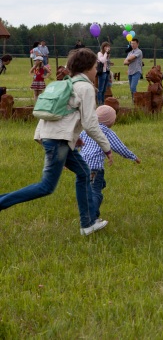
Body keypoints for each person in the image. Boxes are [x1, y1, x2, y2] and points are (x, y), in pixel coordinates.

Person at [0, 48, 114, 236]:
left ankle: (88, 224)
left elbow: (61, 115)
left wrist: (73, 138)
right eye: (95, 67)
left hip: (53, 137)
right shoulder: (85, 87)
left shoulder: (65, 83)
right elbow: (91, 123)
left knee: (84, 172)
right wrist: (107, 147)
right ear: (87, 68)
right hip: (58, 142)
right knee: (46, 186)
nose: (97, 70)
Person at [79, 105, 140, 220]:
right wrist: (133, 157)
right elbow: (120, 148)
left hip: (82, 165)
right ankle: (91, 217)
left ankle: (89, 206)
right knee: (96, 192)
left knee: (90, 186)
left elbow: (76, 143)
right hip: (95, 167)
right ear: (110, 121)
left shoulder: (87, 129)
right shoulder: (107, 132)